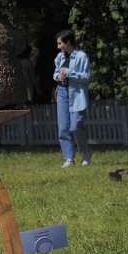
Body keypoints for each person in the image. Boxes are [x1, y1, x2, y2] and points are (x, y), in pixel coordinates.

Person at [53, 28, 91, 167]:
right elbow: (55, 73)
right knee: (63, 128)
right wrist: (58, 76)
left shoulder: (81, 56)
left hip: (77, 94)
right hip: (62, 92)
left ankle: (85, 153)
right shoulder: (59, 57)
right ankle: (69, 158)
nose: (58, 47)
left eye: (60, 44)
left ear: (68, 42)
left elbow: (86, 77)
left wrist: (69, 72)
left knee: (76, 126)